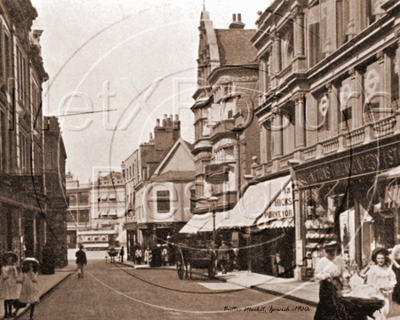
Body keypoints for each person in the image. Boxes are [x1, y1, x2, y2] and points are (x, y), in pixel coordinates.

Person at [314, 241, 348, 319]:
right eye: (329, 251)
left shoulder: (340, 260)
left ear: (336, 250)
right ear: (326, 252)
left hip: (337, 285)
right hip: (326, 286)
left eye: (333, 251)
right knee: (326, 306)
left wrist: (346, 275)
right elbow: (317, 275)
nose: (332, 253)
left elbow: (344, 271)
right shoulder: (322, 261)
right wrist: (326, 275)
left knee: (338, 305)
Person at [360, 247, 396, 320]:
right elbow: (370, 284)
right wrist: (378, 287)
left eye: (382, 258)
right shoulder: (373, 269)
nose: (380, 260)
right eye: (378, 258)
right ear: (375, 259)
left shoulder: (388, 269)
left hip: (386, 294)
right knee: (377, 314)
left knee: (385, 312)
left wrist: (389, 286)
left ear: (385, 259)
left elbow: (393, 280)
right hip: (376, 295)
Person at [0, 253, 19, 318]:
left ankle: (10, 312)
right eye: (8, 259)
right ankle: (6, 313)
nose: (9, 261)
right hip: (6, 284)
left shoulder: (13, 267)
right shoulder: (3, 267)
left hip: (12, 283)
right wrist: (8, 272)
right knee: (6, 299)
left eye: (11, 259)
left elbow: (16, 276)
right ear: (6, 260)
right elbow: (4, 276)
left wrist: (14, 271)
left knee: (11, 299)